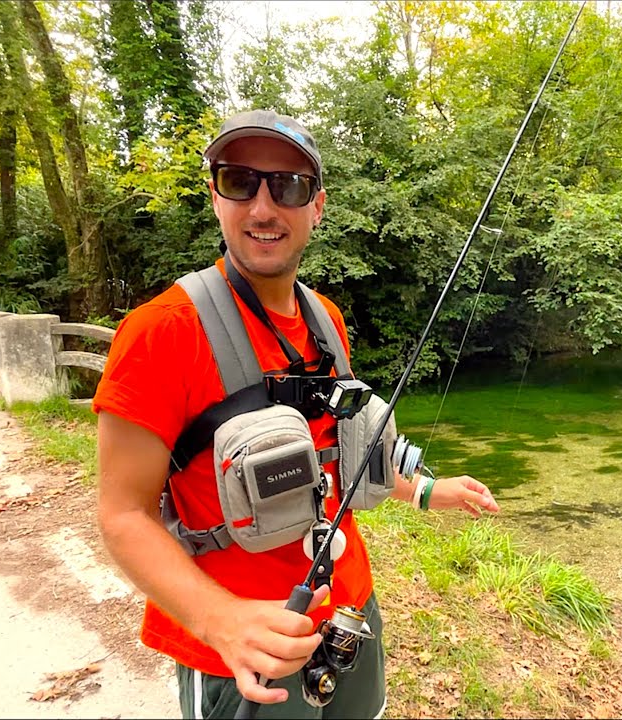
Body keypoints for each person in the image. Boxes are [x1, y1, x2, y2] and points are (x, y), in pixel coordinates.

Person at [93, 109, 500, 719]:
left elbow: (334, 458)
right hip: (246, 650)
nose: (263, 208)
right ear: (216, 196)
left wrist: (425, 491)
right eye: (240, 182)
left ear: (317, 206)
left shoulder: (326, 320)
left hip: (349, 613)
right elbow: (122, 515)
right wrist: (221, 620)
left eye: (288, 186)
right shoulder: (160, 333)